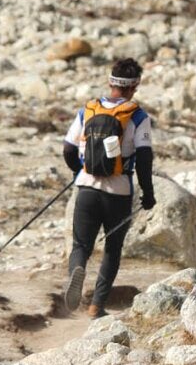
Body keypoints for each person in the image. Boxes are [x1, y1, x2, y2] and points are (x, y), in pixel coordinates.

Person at [62, 56, 155, 317]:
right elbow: (145, 157)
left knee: (81, 246)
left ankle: (76, 272)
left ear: (111, 82)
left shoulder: (88, 110)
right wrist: (148, 193)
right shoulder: (137, 115)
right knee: (113, 249)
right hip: (119, 192)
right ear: (134, 86)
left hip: (87, 189)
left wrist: (78, 171)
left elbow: (68, 148)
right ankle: (96, 306)